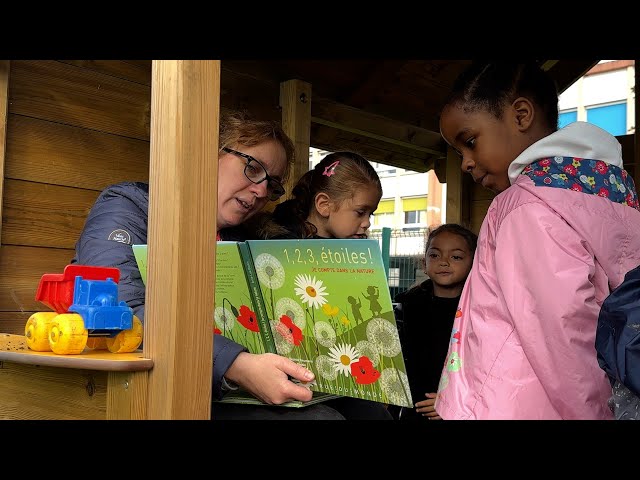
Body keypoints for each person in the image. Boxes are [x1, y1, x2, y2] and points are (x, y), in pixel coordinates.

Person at [73, 110, 356, 420]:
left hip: (223, 385)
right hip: (146, 390)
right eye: (252, 168)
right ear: (207, 153)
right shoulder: (132, 207)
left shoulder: (247, 238)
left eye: (272, 185)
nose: (261, 191)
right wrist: (236, 364)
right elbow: (114, 304)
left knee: (364, 409)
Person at [433, 61, 640, 420]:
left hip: (513, 404)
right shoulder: (614, 198)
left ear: (521, 115)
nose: (466, 163)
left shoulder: (523, 205)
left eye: (469, 141)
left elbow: (561, 333)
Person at [258, 151, 393, 420]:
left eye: (371, 213)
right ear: (323, 204)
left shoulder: (355, 256)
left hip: (340, 376)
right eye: (360, 212)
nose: (367, 223)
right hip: (286, 375)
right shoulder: (283, 250)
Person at [392, 223, 476, 422]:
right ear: (424, 262)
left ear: (474, 263)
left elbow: (481, 368)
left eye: (455, 257)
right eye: (435, 255)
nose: (444, 262)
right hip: (412, 409)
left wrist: (452, 401)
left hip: (457, 408)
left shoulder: (479, 311)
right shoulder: (406, 307)